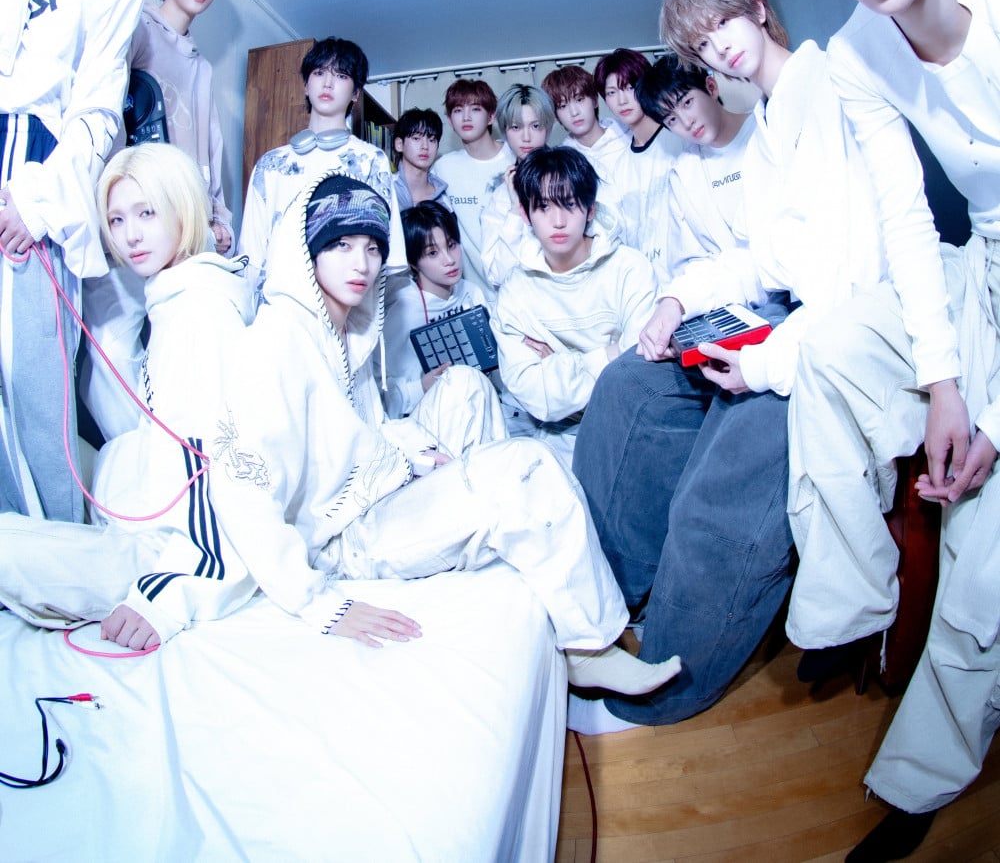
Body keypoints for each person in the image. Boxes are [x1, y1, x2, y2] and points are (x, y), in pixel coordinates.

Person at [210, 170, 682, 699]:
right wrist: (318, 603)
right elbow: (239, 487)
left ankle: (501, 529)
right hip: (343, 541)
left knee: (464, 384)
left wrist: (410, 451)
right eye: (341, 245)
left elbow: (354, 434)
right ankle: (588, 649)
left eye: (372, 247)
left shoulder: (345, 328)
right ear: (307, 251)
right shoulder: (275, 342)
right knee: (526, 466)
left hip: (373, 489)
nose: (361, 263)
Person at [773, 0, 1000, 863]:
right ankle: (849, 608)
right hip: (971, 256)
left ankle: (922, 778)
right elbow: (908, 218)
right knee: (826, 344)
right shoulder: (855, 52)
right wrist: (941, 380)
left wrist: (987, 415)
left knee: (984, 545)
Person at [572, 49, 796, 733]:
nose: (684, 122)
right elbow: (700, 263)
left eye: (687, 104)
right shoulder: (685, 171)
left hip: (794, 319)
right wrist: (672, 307)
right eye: (668, 117)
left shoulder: (773, 135)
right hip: (722, 310)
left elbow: (778, 261)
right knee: (625, 386)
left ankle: (671, 673)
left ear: (712, 84)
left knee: (726, 458)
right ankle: (601, 613)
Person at [0, 0, 160, 522]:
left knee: (34, 375)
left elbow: (98, 110)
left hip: (36, 161)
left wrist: (35, 201)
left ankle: (61, 548)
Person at [0, 144, 255, 651]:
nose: (130, 235)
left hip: (166, 553)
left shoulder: (199, 313)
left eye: (147, 213)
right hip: (141, 505)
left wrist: (167, 597)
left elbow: (221, 472)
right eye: (116, 219)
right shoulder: (175, 293)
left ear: (183, 207)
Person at [79, 0, 237, 440]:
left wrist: (217, 215)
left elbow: (208, 151)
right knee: (111, 343)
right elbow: (103, 108)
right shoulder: (137, 27)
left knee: (186, 342)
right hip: (130, 211)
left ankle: (185, 452)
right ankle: (143, 454)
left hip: (183, 222)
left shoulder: (201, 65)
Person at [494, 147, 656, 474]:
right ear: (525, 214)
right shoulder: (514, 291)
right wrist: (611, 352)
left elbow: (641, 370)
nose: (558, 221)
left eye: (569, 204)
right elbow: (538, 397)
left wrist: (558, 362)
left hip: (631, 426)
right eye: (543, 207)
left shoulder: (630, 269)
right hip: (554, 435)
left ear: (590, 209)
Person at [238, 35, 404, 302]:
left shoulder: (371, 160)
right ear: (306, 85)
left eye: (341, 75)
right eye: (319, 73)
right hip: (281, 306)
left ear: (356, 93)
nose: (328, 83)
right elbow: (251, 256)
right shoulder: (270, 164)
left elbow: (387, 254)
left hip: (347, 310)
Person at [379, 201, 506, 446]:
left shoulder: (471, 293)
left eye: (451, 245)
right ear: (413, 262)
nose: (449, 260)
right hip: (425, 426)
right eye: (432, 253)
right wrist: (421, 387)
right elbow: (383, 395)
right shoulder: (403, 311)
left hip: (482, 405)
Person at [594, 48, 679, 283]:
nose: (621, 100)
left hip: (692, 275)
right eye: (612, 92)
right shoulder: (618, 168)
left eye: (629, 87)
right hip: (647, 285)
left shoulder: (679, 141)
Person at [430, 78, 511, 300]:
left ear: (491, 116)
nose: (466, 117)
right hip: (476, 295)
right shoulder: (443, 168)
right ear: (449, 120)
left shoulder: (515, 156)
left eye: (475, 109)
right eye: (458, 110)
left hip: (523, 287)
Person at [480, 83, 555, 288]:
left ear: (547, 127)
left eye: (535, 126)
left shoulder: (569, 177)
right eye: (516, 127)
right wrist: (515, 210)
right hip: (520, 302)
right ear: (505, 131)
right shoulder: (501, 197)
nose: (526, 137)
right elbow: (496, 276)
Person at [541, 63, 629, 195]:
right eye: (563, 106)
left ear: (595, 101)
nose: (574, 112)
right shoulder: (563, 160)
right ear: (556, 116)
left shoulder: (628, 135)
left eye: (579, 100)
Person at [391, 107, 451, 212]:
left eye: (431, 140)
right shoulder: (385, 189)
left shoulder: (444, 201)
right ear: (399, 144)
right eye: (416, 138)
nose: (425, 146)